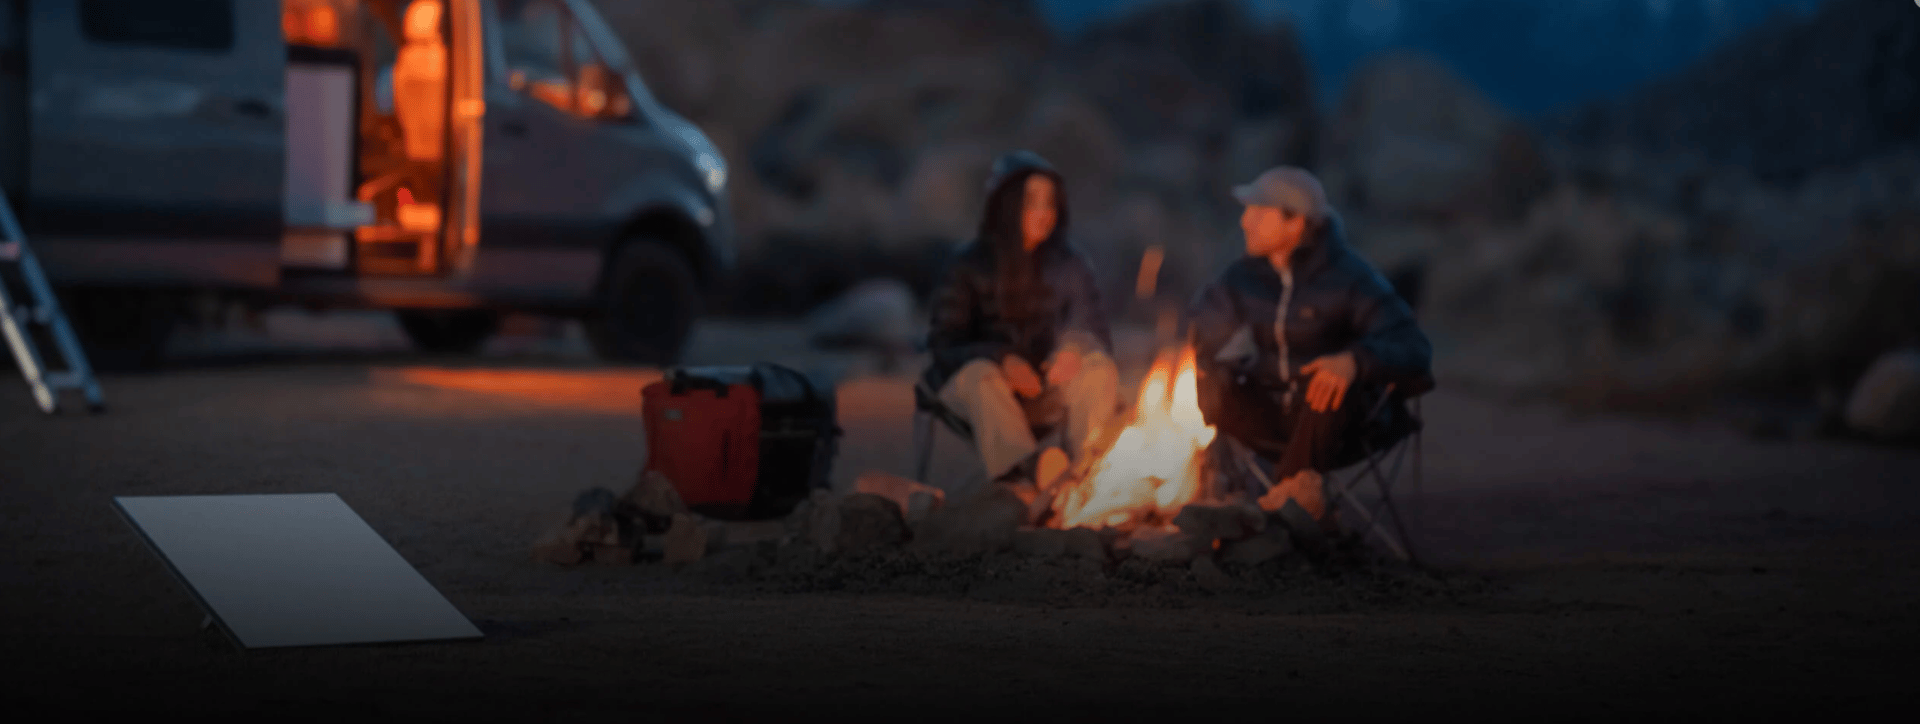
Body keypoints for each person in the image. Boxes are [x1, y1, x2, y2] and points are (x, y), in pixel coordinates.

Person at [1188, 166, 1433, 525]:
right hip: (1269, 414)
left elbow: (1412, 346)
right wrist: (1214, 350)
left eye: (1258, 212)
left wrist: (1354, 362)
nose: (1245, 222)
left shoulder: (1350, 279)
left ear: (1295, 223)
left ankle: (1280, 514)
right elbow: (1202, 325)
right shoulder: (1244, 277)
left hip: (1339, 423)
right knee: (1213, 381)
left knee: (1327, 385)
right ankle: (1214, 503)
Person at [924, 151, 1120, 500]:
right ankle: (1025, 477)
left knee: (1098, 368)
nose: (1045, 213)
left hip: (1043, 387)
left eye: (1050, 203)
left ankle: (1089, 472)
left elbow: (1094, 328)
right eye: (1033, 203)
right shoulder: (967, 264)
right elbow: (944, 343)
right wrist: (1003, 360)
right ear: (1006, 205)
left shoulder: (1069, 262)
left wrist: (1074, 349)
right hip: (976, 388)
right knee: (980, 375)